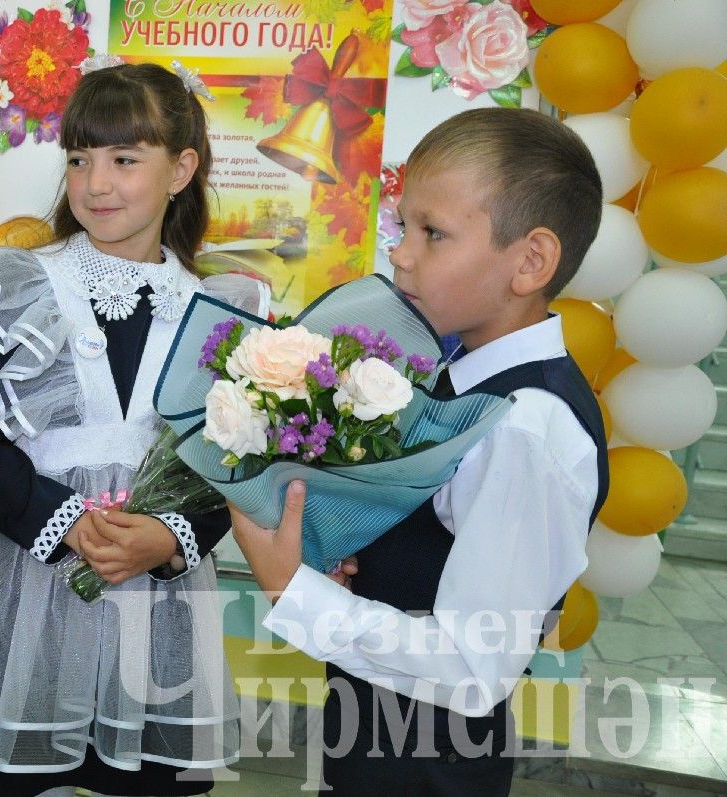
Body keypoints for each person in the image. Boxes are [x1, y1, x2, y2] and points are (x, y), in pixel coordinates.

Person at [229, 107, 609, 797]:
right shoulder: (460, 378)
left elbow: (472, 664)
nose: (401, 253)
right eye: (405, 226)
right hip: (375, 733)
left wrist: (296, 590)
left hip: (429, 766)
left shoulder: (525, 427)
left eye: (433, 233)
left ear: (531, 261)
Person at [0, 60, 269, 797]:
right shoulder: (16, 288)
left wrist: (171, 535)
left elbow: (236, 459)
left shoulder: (223, 310)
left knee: (145, 777)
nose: (95, 182)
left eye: (124, 158)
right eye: (79, 158)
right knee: (11, 775)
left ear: (181, 169)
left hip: (159, 603)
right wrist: (63, 523)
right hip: (28, 585)